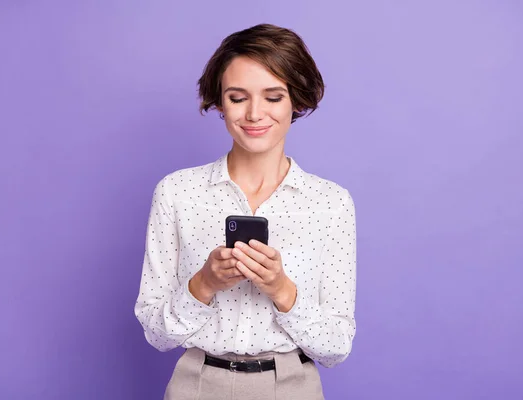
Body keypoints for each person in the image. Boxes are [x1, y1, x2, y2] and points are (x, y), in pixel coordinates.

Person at [134, 23, 357, 400]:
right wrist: (204, 283)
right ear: (219, 103)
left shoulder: (330, 203)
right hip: (198, 385)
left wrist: (281, 289)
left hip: (291, 388)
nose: (255, 113)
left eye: (273, 97)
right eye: (238, 98)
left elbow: (336, 347)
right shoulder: (177, 193)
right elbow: (156, 334)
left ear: (297, 102)